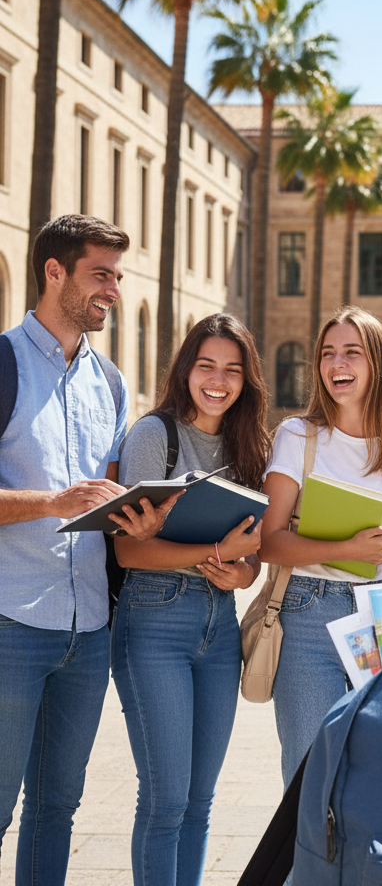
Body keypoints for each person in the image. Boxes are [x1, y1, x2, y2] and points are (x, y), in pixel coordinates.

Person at [0, 215, 152, 885]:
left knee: (57, 808)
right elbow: (64, 501)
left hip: (88, 633)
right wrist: (50, 503)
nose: (113, 291)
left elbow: (108, 505)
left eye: (117, 277)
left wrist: (143, 519)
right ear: (53, 273)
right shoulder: (2, 364)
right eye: (100, 275)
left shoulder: (112, 384)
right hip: (10, 628)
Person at [107, 314, 271, 886]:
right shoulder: (156, 436)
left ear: (246, 380)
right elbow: (128, 554)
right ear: (186, 369)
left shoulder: (248, 445)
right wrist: (216, 546)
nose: (218, 381)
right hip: (154, 622)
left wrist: (241, 570)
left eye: (232, 370)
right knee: (165, 799)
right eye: (207, 366)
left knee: (201, 802)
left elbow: (253, 556)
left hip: (218, 628)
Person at [260, 306, 382, 787]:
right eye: (328, 354)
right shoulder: (298, 436)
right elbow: (269, 543)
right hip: (309, 614)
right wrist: (347, 547)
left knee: (381, 777)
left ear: (377, 363)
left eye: (351, 353)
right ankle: (299, 867)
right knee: (309, 777)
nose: (338, 365)